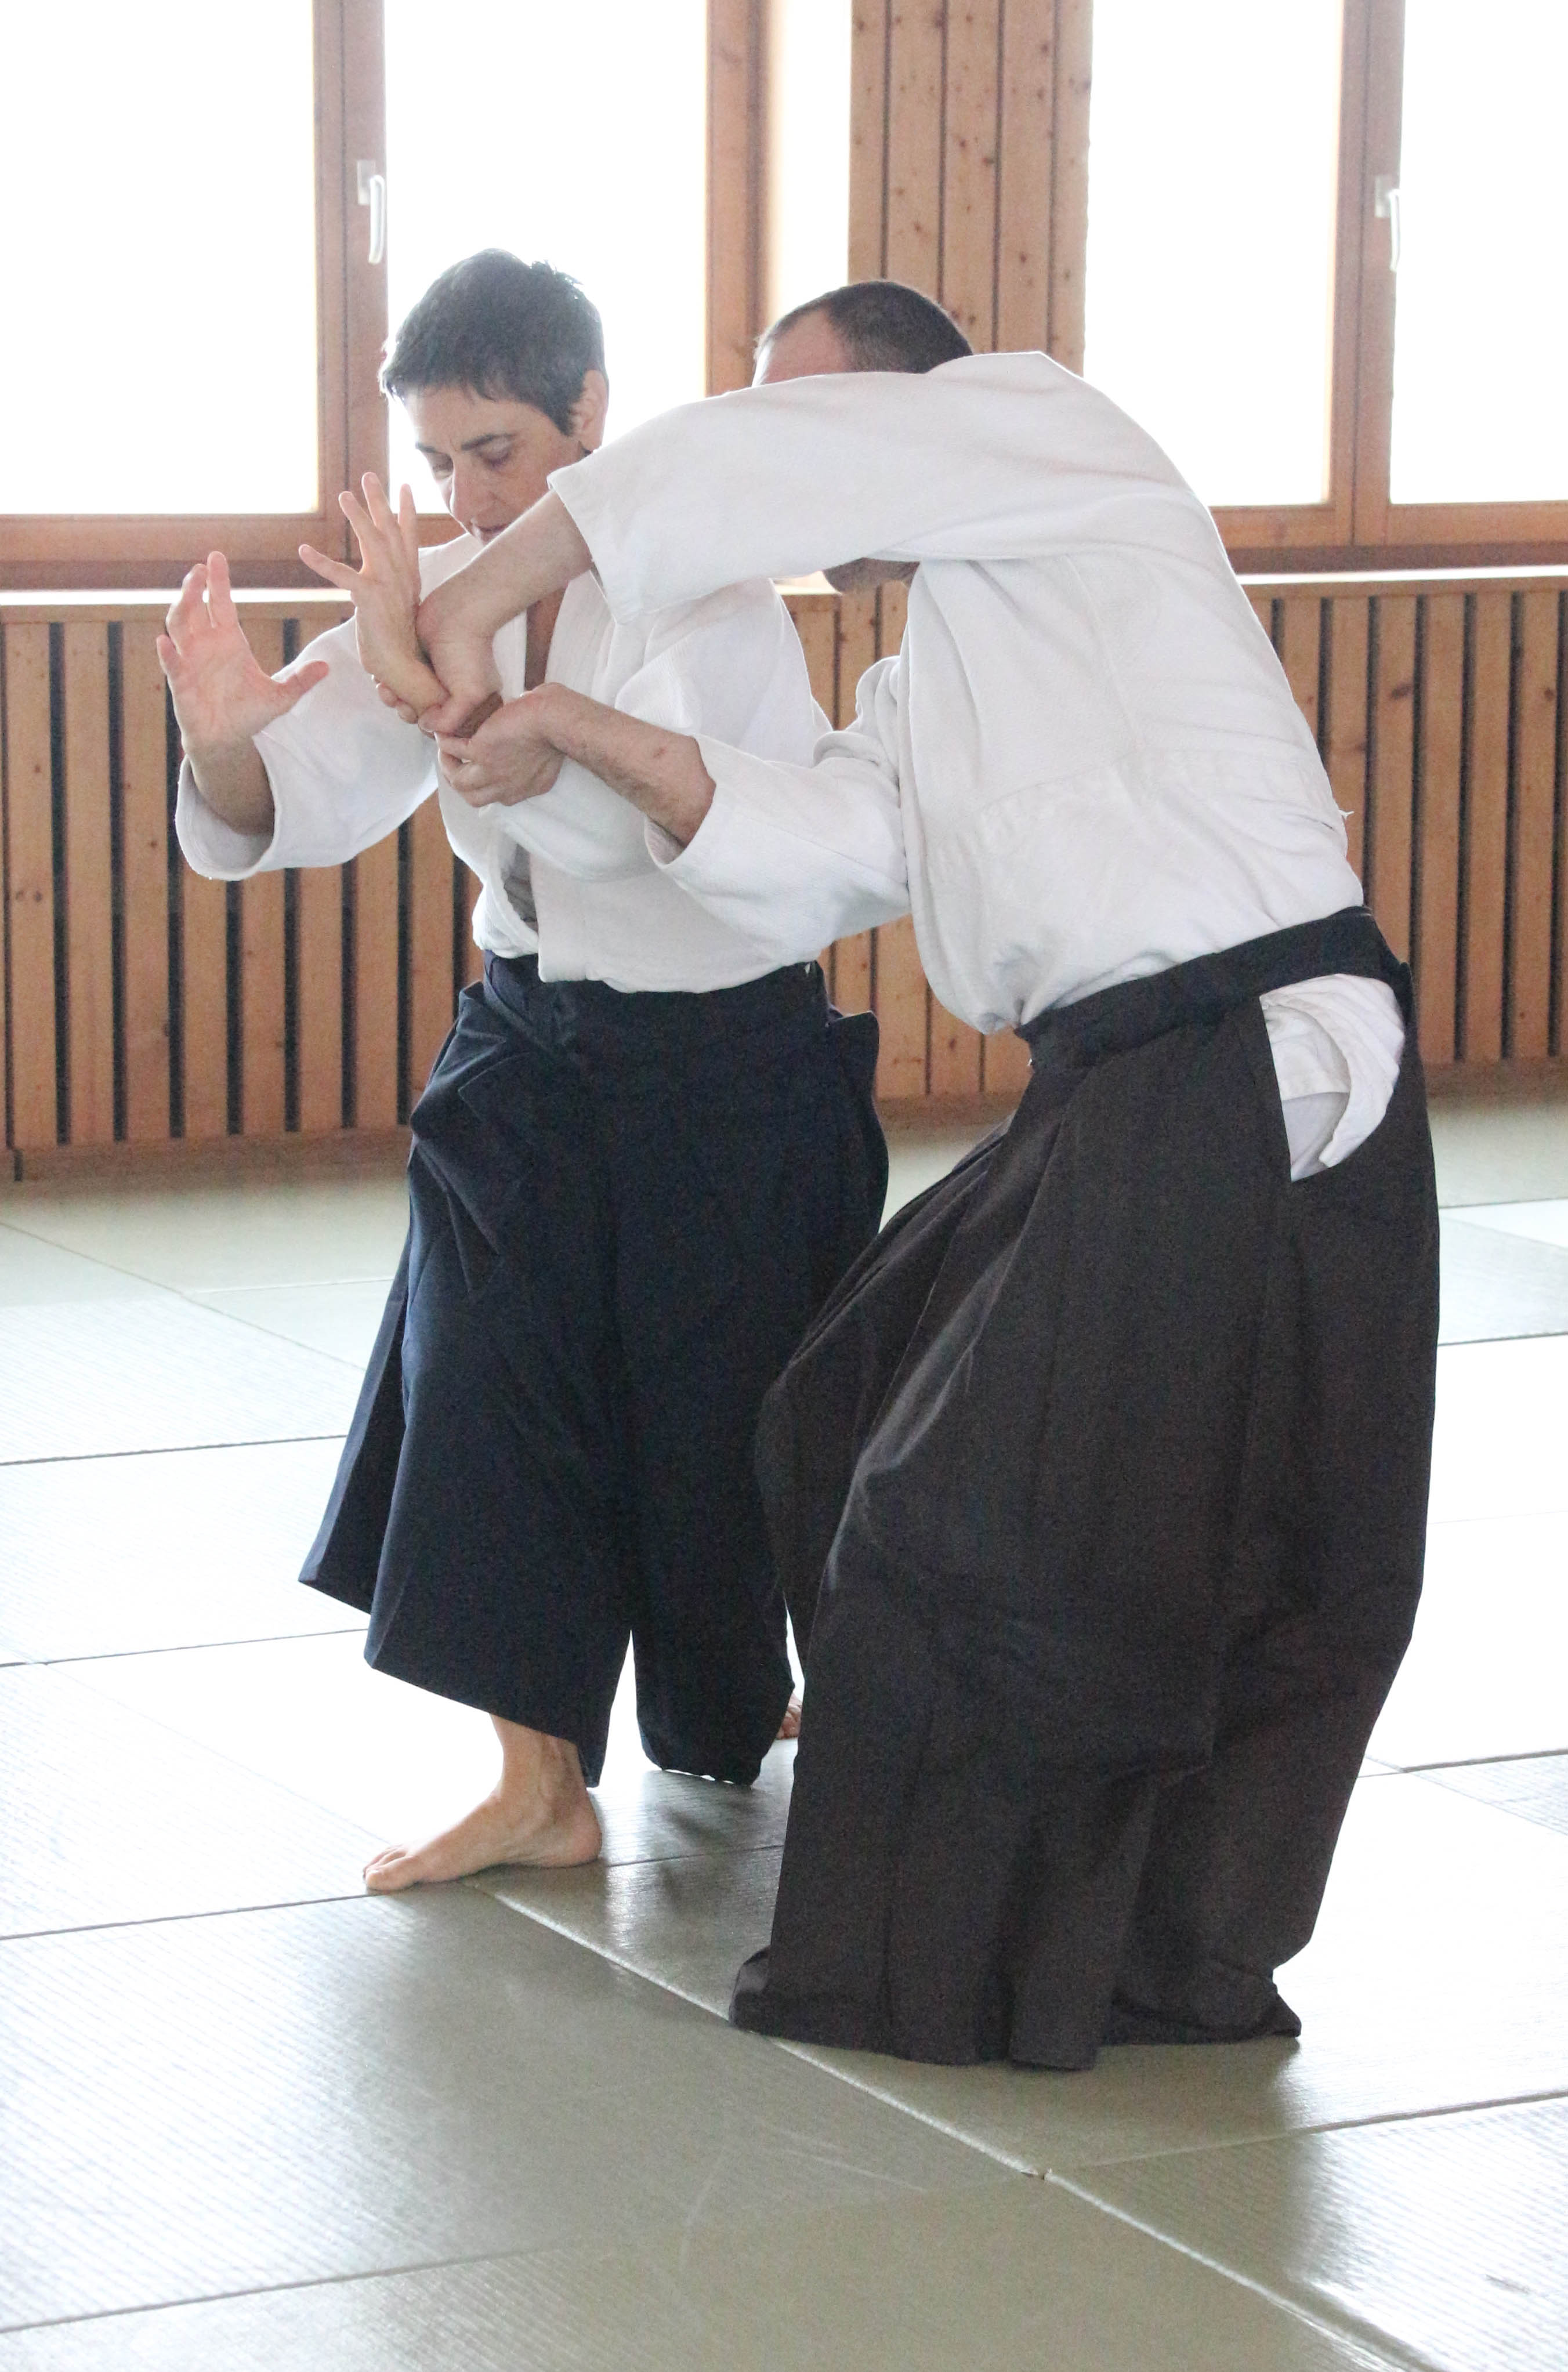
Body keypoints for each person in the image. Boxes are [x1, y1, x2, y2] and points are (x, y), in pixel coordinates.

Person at [398, 276, 1439, 2070]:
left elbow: (732, 473)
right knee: (838, 1408)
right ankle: (1004, 1903)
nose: (781, 447)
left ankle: (1030, 1953)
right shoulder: (926, 677)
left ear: (910, 408)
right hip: (1120, 1086)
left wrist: (479, 590)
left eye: (803, 412)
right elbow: (811, 839)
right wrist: (561, 726)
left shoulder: (1057, 439)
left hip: (1256, 1055)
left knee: (980, 1516)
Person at [160, 252, 886, 1893]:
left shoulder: (705, 599)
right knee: (484, 1377)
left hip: (721, 1054)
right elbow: (306, 793)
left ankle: (737, 1699)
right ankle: (539, 1781)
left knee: (720, 1426)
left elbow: (661, 834)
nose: (469, 497)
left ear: (591, 412)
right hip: (526, 1036)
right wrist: (223, 733)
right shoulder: (431, 587)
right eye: (438, 464)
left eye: (496, 452)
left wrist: (439, 685)